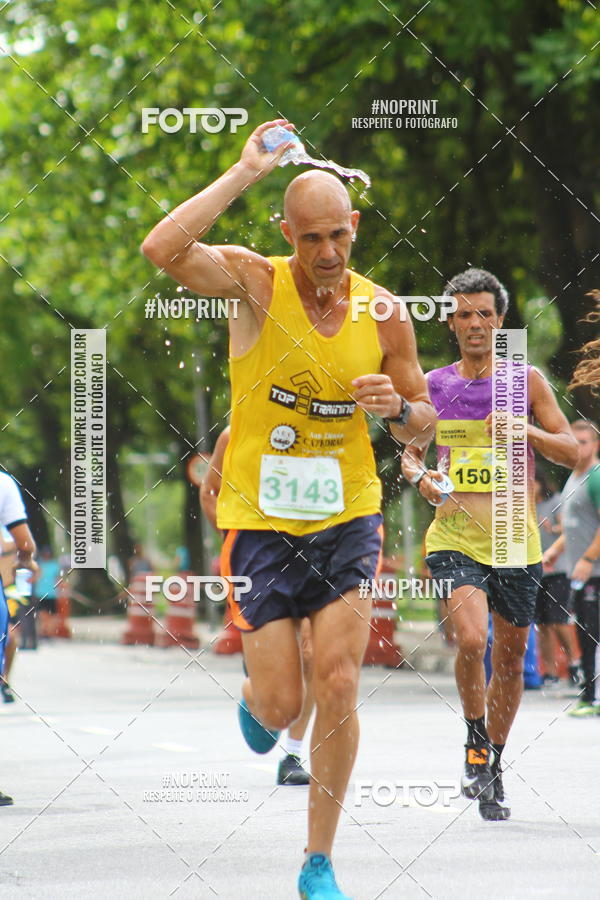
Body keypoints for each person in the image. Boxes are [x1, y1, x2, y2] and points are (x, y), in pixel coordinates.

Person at [142, 119, 435, 900]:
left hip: (348, 516)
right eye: (311, 239)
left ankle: (318, 860)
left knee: (338, 679)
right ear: (286, 233)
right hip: (261, 522)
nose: (329, 254)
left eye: (339, 235)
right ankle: (256, 703)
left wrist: (397, 414)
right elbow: (161, 250)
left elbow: (422, 415)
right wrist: (243, 172)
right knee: (283, 703)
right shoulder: (255, 282)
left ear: (356, 228)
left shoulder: (386, 313)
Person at [402, 267, 578, 821]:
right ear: (450, 323)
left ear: (501, 322)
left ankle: (490, 763)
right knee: (472, 639)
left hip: (513, 538)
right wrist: (420, 477)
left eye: (485, 314)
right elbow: (408, 452)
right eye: (464, 314)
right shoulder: (433, 386)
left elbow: (573, 452)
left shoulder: (523, 382)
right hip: (453, 537)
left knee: (510, 658)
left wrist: (525, 431)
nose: (475, 323)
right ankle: (474, 744)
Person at [201, 426, 313, 786]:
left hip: (313, 550)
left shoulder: (320, 429)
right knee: (275, 693)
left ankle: (293, 753)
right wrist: (233, 538)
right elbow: (210, 492)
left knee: (310, 655)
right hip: (258, 561)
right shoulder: (234, 435)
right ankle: (256, 691)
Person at [543, 420, 600, 716]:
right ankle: (589, 696)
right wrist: (554, 551)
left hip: (594, 571)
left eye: (584, 442)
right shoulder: (573, 477)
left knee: (594, 634)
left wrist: (588, 558)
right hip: (579, 571)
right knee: (584, 632)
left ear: (596, 445)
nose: (578, 447)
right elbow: (574, 526)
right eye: (574, 441)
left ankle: (594, 698)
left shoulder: (596, 477)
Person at [0, 470, 38, 804]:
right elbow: (25, 544)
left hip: (11, 591)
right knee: (8, 638)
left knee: (12, 637)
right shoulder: (3, 483)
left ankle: (5, 681)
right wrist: (26, 559)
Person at [534, 470, 580, 687]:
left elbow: (568, 527)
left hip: (558, 569)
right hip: (536, 569)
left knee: (558, 619)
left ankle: (574, 663)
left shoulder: (555, 501)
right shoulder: (522, 506)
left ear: (541, 483)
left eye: (532, 483)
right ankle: (549, 671)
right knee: (542, 623)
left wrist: (554, 528)